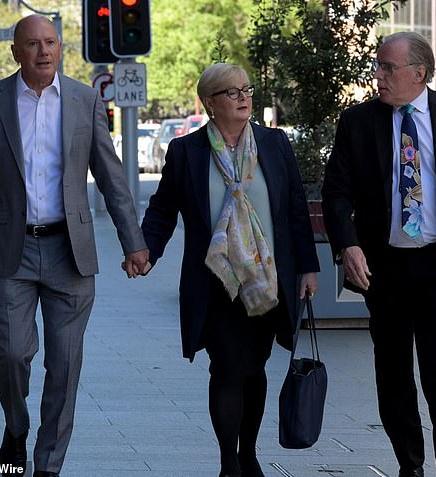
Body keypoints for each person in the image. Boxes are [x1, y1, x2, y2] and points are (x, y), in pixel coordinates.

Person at [0, 15, 148, 477]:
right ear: (15, 52)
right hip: (8, 250)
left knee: (64, 367)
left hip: (70, 251)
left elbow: (111, 176)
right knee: (13, 353)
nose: (43, 51)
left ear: (60, 48)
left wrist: (133, 242)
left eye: (51, 43)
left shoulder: (83, 100)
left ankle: (47, 466)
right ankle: (16, 427)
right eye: (33, 44)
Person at [322, 32, 436, 477]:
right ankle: (410, 466)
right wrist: (348, 245)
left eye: (387, 68)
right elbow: (336, 193)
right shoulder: (358, 121)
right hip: (384, 270)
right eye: (377, 67)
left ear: (418, 74)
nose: (377, 76)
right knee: (394, 374)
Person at [140, 63, 319, 477]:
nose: (242, 97)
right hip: (216, 281)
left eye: (246, 89)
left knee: (254, 369)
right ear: (209, 103)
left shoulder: (275, 144)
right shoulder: (187, 152)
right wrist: (147, 251)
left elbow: (294, 210)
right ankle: (228, 460)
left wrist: (309, 268)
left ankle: (249, 452)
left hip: (265, 280)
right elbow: (164, 209)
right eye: (230, 92)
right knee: (226, 367)